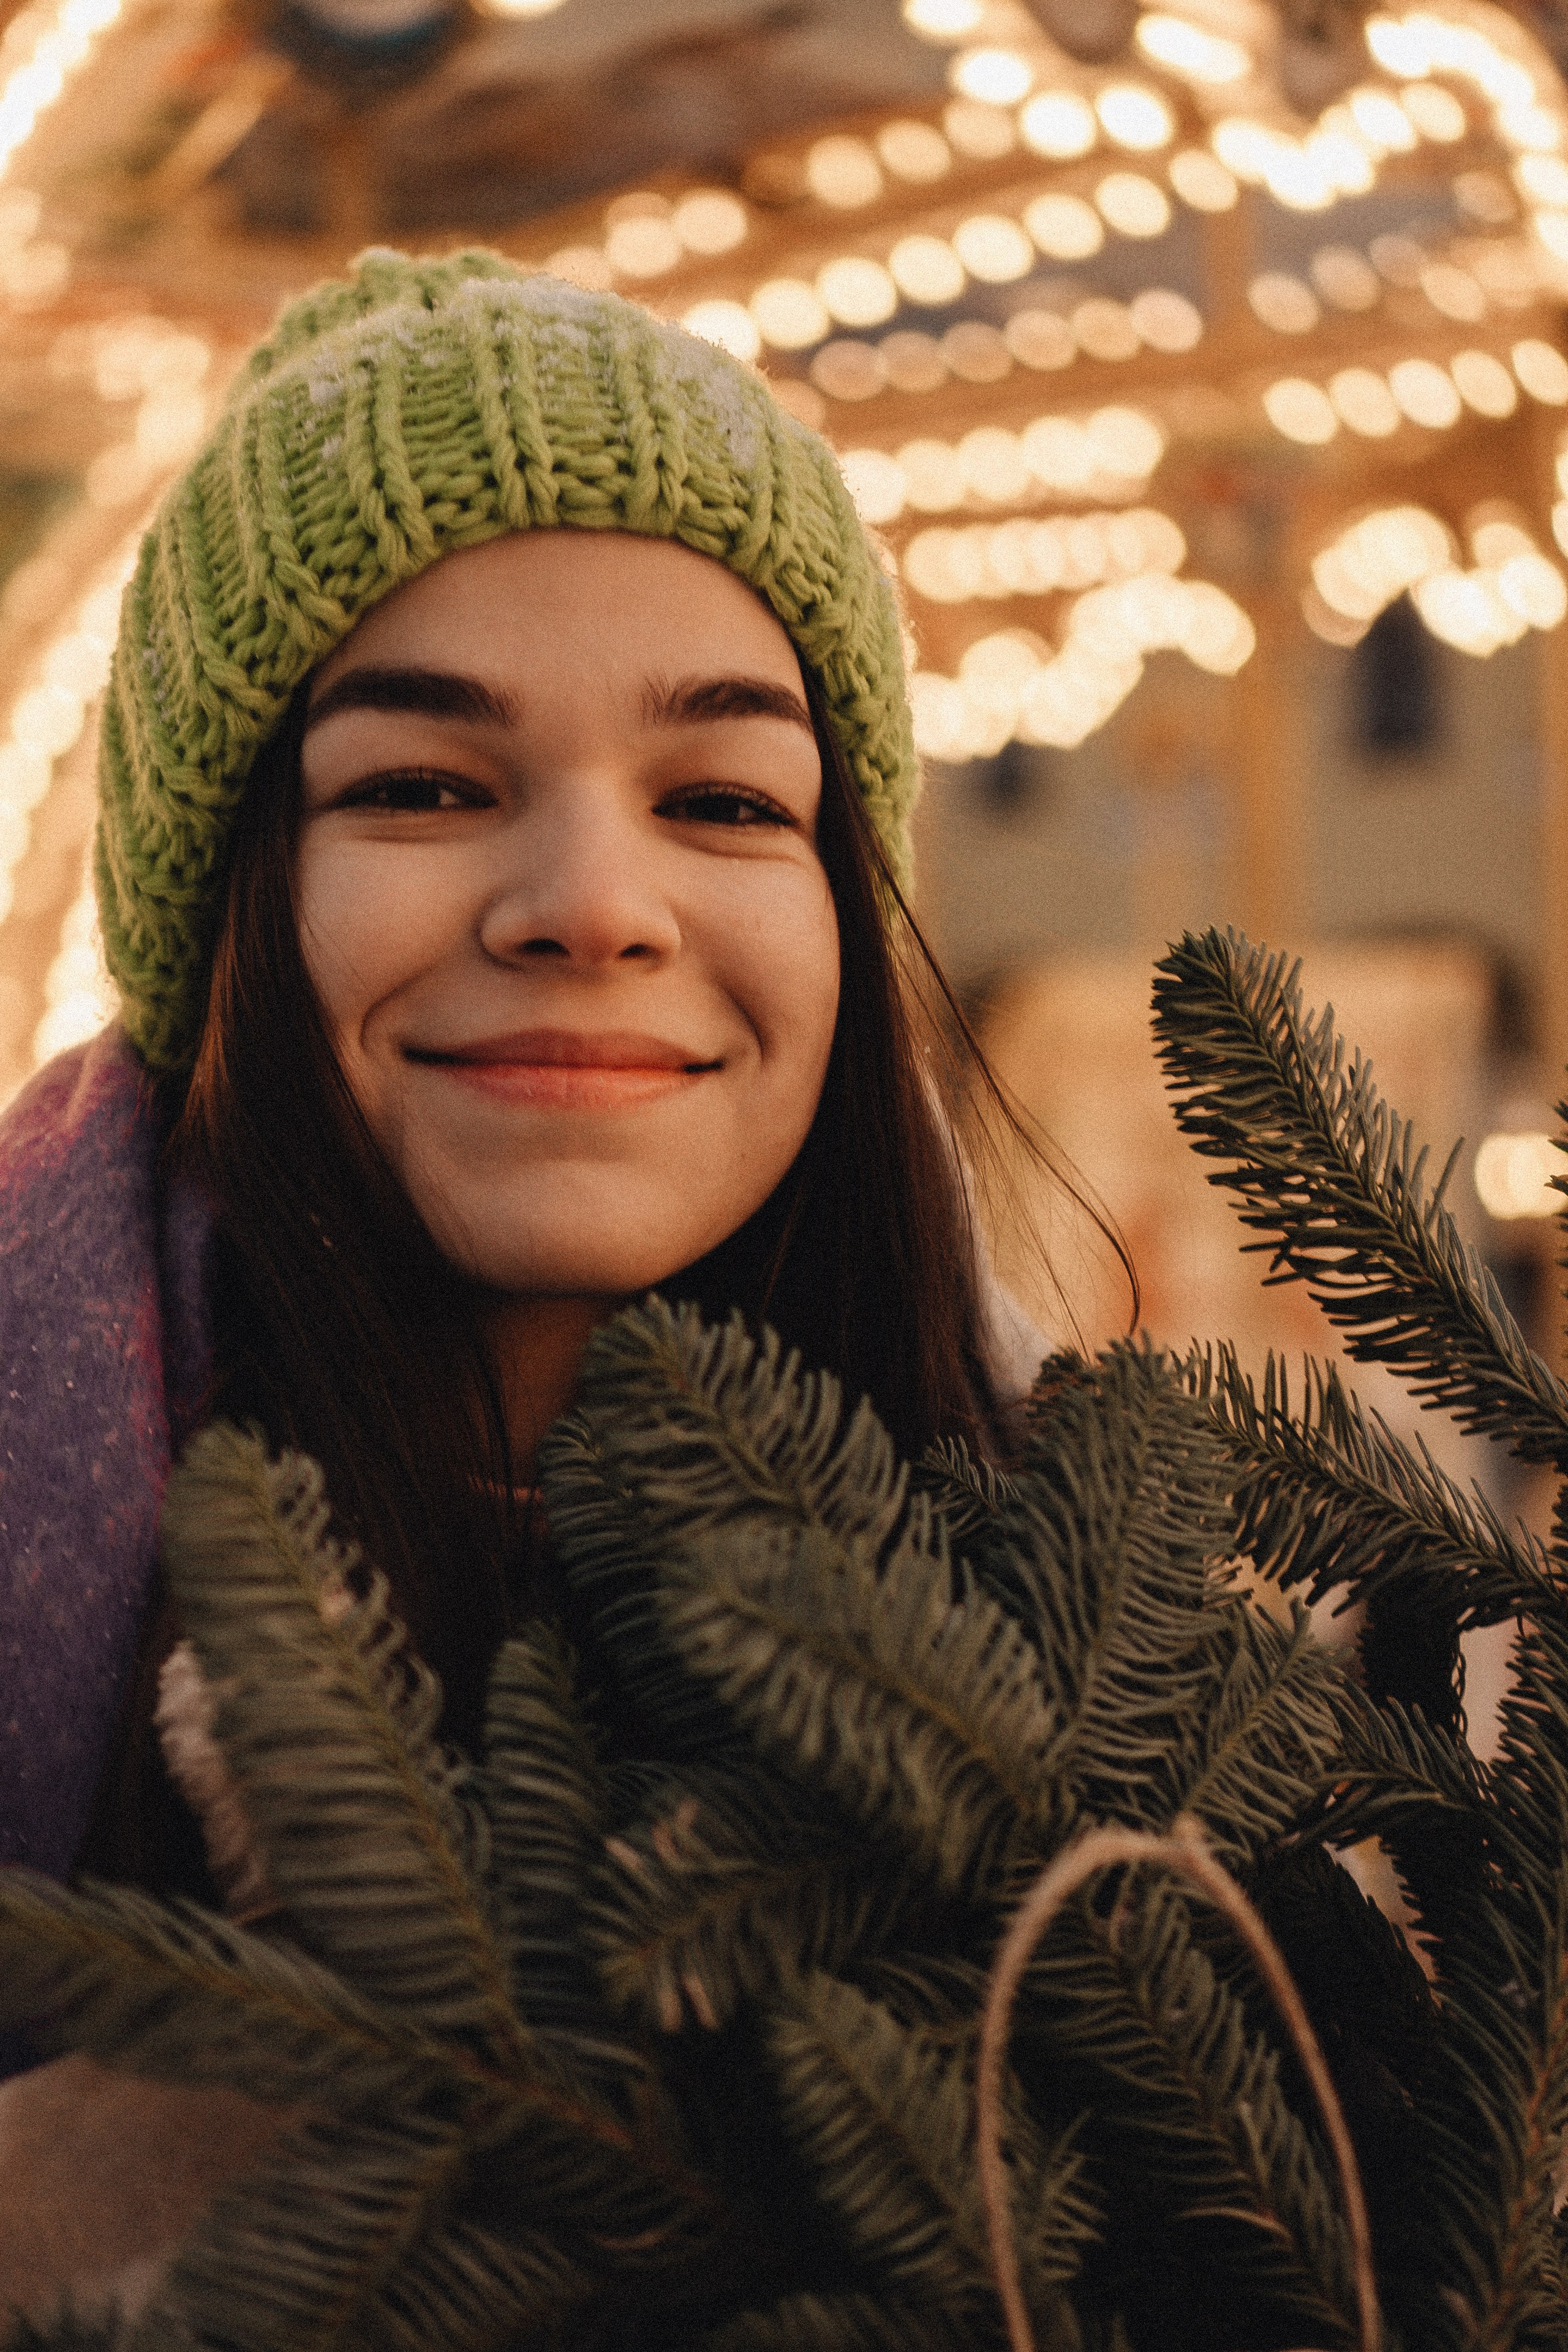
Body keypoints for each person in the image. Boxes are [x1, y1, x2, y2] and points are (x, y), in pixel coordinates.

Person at [0, 247, 1061, 1907]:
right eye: (421, 786)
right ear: (226, 905)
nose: (590, 909)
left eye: (722, 802)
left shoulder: (1125, 1617)